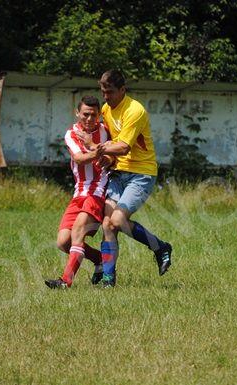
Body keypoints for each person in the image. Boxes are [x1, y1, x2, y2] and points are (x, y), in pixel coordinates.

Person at [91, 69, 173, 288]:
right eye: (102, 92)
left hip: (141, 174)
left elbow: (124, 146)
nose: (105, 97)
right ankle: (108, 280)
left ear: (122, 90)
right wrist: (107, 158)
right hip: (118, 173)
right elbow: (113, 143)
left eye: (110, 92)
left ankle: (160, 247)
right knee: (108, 224)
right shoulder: (106, 109)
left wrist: (96, 149)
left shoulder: (135, 110)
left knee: (118, 220)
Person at [44, 95, 113, 289]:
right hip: (79, 193)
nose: (89, 119)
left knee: (78, 231)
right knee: (63, 242)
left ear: (99, 115)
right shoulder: (71, 133)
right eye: (85, 114)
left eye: (93, 115)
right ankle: (100, 259)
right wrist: (98, 150)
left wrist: (105, 154)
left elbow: (116, 154)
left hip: (98, 191)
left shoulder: (106, 130)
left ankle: (65, 281)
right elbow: (79, 158)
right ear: (77, 113)